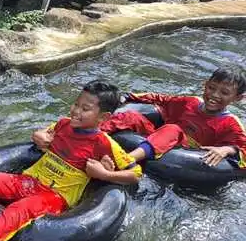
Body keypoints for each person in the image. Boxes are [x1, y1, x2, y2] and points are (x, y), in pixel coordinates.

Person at [0, 80, 142, 241]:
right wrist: (38, 135)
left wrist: (104, 175)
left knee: (20, 210)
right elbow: (43, 133)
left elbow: (135, 174)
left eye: (85, 109)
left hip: (54, 197)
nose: (76, 111)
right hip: (27, 181)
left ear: (104, 117)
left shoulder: (105, 144)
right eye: (76, 104)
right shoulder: (63, 124)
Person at [102, 66, 246, 167]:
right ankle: (92, 136)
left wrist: (227, 150)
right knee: (130, 116)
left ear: (238, 98)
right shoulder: (190, 103)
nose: (214, 95)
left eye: (224, 93)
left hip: (188, 154)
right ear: (205, 84)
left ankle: (128, 159)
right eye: (211, 88)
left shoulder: (230, 124)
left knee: (172, 129)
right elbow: (161, 99)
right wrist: (128, 97)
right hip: (160, 138)